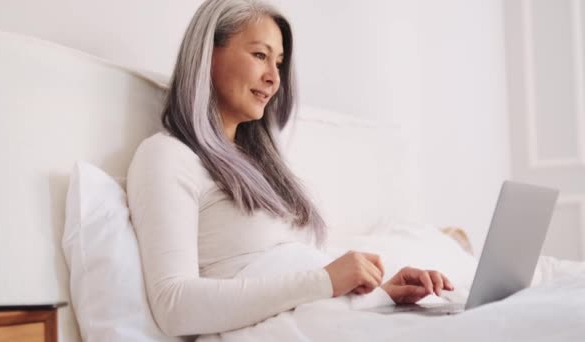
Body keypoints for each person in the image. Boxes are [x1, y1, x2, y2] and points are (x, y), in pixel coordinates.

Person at [127, 0, 454, 337]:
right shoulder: (167, 156)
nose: (273, 78)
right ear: (208, 54)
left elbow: (297, 279)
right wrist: (326, 281)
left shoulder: (260, 166)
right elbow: (174, 307)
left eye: (279, 63)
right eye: (259, 55)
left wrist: (381, 291)